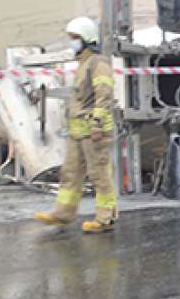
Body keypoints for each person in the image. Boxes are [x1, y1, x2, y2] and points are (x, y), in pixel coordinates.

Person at [35, 17, 118, 234]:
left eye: (75, 38)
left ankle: (105, 218)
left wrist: (98, 124)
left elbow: (104, 94)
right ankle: (62, 214)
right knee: (70, 173)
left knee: (99, 174)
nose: (72, 42)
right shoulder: (82, 64)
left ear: (87, 39)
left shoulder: (98, 63)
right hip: (78, 131)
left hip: (93, 130)